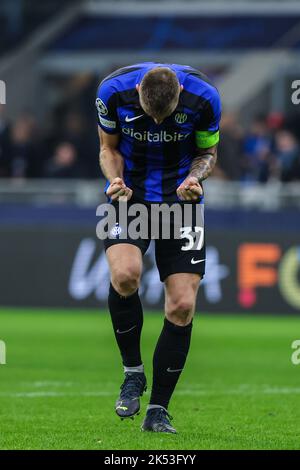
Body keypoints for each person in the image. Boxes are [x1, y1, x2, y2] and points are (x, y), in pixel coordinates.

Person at [96, 63, 221, 433]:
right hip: (129, 197)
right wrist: (114, 178)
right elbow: (107, 148)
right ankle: (133, 373)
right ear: (137, 94)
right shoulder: (110, 92)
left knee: (182, 305)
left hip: (182, 202)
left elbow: (208, 155)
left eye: (164, 118)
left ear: (180, 96)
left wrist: (195, 178)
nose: (156, 125)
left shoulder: (206, 97)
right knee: (124, 276)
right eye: (149, 117)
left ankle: (157, 411)